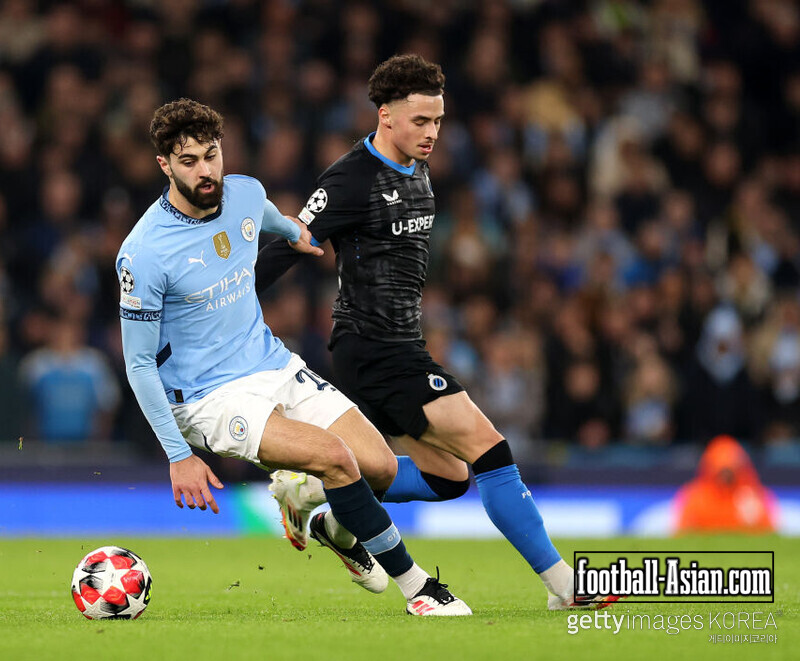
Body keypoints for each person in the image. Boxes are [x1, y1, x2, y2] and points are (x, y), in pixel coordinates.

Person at [256, 55, 616, 610]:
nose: (432, 133)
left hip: (404, 346)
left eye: (438, 121)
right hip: (373, 349)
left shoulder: (418, 169)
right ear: (385, 116)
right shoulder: (351, 177)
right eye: (420, 121)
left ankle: (322, 497)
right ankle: (564, 586)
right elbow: (291, 243)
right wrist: (222, 304)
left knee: (449, 478)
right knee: (490, 449)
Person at [116, 98, 470, 616]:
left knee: (376, 466)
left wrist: (294, 233)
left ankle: (327, 522)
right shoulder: (144, 253)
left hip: (271, 363)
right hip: (206, 397)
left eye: (211, 156)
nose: (205, 171)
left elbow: (264, 216)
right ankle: (420, 590)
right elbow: (138, 363)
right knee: (336, 458)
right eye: (188, 161)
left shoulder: (243, 192)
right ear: (164, 165)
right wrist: (178, 455)